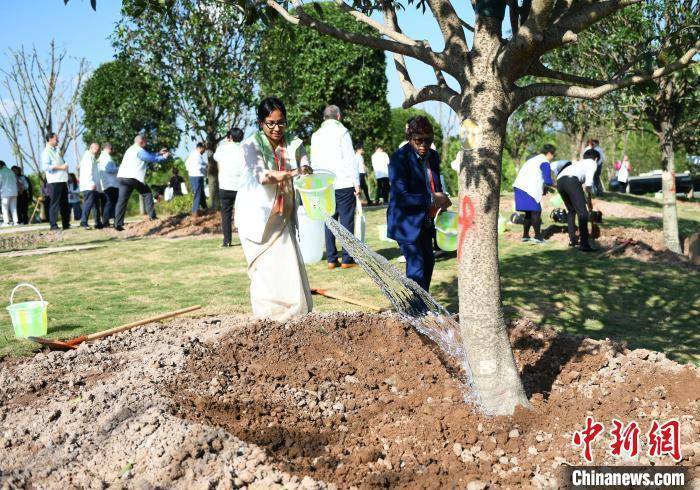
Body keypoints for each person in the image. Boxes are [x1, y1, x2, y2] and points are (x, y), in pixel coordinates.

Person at [234, 97, 313, 321]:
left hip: (282, 215)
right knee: (265, 272)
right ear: (261, 123)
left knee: (288, 266)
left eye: (281, 122)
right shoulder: (251, 145)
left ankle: (294, 316)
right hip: (257, 217)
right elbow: (263, 177)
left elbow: (306, 166)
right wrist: (294, 172)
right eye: (271, 123)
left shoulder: (294, 143)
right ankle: (268, 319)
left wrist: (305, 169)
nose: (276, 128)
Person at [387, 116, 451, 291]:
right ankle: (416, 312)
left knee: (429, 262)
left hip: (427, 220)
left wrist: (442, 201)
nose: (423, 144)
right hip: (406, 222)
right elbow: (402, 197)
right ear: (410, 137)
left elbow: (435, 184)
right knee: (417, 266)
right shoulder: (399, 159)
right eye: (418, 140)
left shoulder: (434, 156)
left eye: (428, 140)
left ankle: (422, 305)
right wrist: (433, 198)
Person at [311, 105, 360, 270]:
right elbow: (350, 159)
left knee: (329, 221)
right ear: (338, 117)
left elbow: (314, 162)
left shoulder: (316, 135)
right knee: (346, 220)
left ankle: (332, 259)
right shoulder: (342, 132)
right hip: (343, 182)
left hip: (324, 184)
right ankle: (347, 258)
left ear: (324, 118)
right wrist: (357, 182)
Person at [114, 134, 170, 231]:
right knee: (147, 194)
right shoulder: (139, 151)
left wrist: (158, 153)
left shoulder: (131, 149)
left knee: (122, 201)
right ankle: (152, 217)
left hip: (122, 177)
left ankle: (118, 225)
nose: (147, 143)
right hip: (133, 177)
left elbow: (148, 155)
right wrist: (164, 157)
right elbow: (151, 158)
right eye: (146, 141)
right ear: (141, 142)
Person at [556, 149, 600, 252]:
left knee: (571, 211)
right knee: (583, 213)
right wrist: (589, 199)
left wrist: (586, 199)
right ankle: (584, 244)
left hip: (560, 181)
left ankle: (573, 240)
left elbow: (582, 185)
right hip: (571, 181)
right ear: (596, 158)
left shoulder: (579, 163)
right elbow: (588, 184)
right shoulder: (592, 163)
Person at [512, 144, 556, 244]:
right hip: (528, 189)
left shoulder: (533, 159)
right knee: (536, 211)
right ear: (549, 153)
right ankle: (538, 237)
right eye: (552, 155)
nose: (552, 157)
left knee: (528, 213)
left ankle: (525, 236)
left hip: (519, 187)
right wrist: (556, 185)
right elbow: (548, 181)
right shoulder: (544, 161)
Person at [213, 127, 245, 247]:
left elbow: (215, 157)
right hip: (241, 186)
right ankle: (245, 239)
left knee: (226, 215)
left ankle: (227, 241)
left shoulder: (222, 148)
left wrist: (226, 143)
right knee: (242, 213)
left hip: (225, 186)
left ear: (229, 137)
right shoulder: (244, 149)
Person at [41, 132, 70, 230]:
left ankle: (66, 224)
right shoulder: (46, 152)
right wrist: (60, 167)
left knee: (65, 203)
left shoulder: (57, 150)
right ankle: (53, 225)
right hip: (54, 181)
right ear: (50, 139)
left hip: (62, 180)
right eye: (56, 139)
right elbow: (45, 167)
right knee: (54, 204)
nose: (58, 140)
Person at [78, 142, 103, 230]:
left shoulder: (92, 157)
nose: (97, 151)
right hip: (89, 185)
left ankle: (98, 222)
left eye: (98, 149)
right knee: (88, 203)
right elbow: (88, 171)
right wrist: (91, 183)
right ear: (91, 148)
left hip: (93, 185)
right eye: (96, 149)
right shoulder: (88, 157)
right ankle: (83, 221)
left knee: (96, 204)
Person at [98, 142, 119, 228]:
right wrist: (119, 168)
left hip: (106, 183)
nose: (112, 150)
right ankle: (111, 221)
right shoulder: (106, 157)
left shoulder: (101, 157)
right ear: (108, 148)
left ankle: (107, 221)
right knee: (111, 203)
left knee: (108, 203)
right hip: (111, 183)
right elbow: (110, 170)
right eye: (111, 148)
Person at [186, 142, 208, 214]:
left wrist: (205, 165)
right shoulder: (195, 155)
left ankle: (205, 208)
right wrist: (206, 168)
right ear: (200, 148)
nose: (204, 151)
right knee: (197, 193)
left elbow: (201, 164)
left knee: (201, 193)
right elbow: (199, 166)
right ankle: (195, 211)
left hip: (198, 175)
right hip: (195, 175)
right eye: (204, 149)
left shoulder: (197, 154)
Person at [0, 161, 19, 226]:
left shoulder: (1, 172)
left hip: (5, 192)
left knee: (4, 207)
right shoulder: (11, 172)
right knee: (14, 207)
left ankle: (6, 222)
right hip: (14, 192)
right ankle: (16, 222)